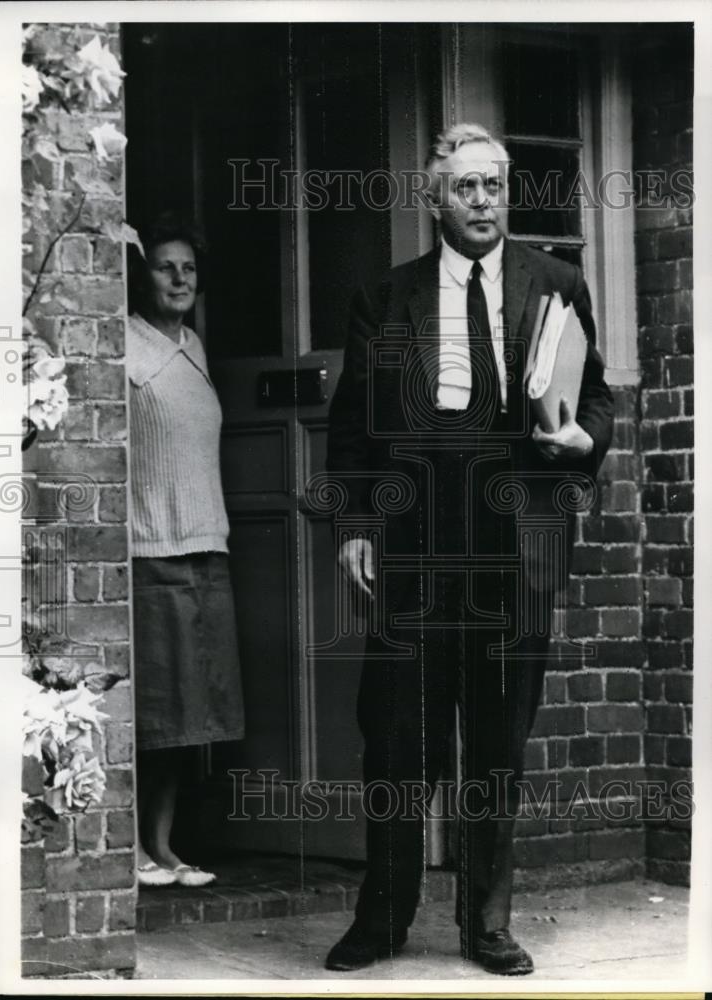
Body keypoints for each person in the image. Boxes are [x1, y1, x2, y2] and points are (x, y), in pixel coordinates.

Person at [324, 123, 613, 975]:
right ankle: (382, 918)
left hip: (515, 548)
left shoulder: (556, 284)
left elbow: (594, 399)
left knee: (495, 741)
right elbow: (352, 431)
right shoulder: (386, 298)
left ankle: (487, 922)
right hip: (418, 546)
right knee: (397, 739)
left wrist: (579, 445)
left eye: (494, 186)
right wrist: (356, 527)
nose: (483, 202)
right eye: (465, 188)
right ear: (435, 199)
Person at [127, 214, 244, 888]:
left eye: (189, 268)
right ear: (141, 275)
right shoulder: (122, 345)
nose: (178, 278)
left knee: (189, 716)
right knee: (154, 712)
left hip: (207, 545)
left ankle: (163, 848)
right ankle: (133, 851)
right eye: (164, 266)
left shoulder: (194, 346)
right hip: (151, 550)